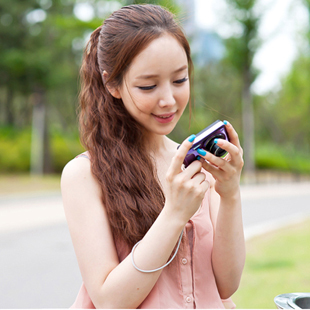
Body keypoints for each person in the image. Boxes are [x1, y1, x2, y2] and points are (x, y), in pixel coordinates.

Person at [61, 4, 245, 309]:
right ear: (112, 84)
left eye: (179, 80)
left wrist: (230, 194)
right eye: (148, 85)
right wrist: (174, 213)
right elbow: (110, 300)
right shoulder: (84, 175)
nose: (168, 100)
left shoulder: (195, 161)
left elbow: (226, 284)